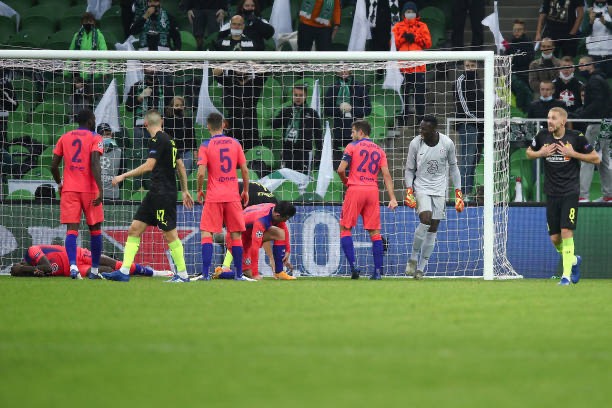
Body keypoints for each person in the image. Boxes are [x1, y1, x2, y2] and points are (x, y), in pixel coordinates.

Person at [103, 109, 194, 282]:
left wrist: (123, 175)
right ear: (162, 122)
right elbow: (181, 166)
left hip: (163, 194)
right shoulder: (170, 141)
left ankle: (182, 274)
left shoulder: (158, 139)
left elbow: (148, 166)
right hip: (155, 193)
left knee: (170, 234)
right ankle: (123, 271)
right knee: (135, 228)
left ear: (145, 124)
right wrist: (184, 190)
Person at [526, 107, 600, 285]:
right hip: (551, 193)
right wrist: (541, 153)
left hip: (570, 192)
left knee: (566, 231)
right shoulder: (542, 136)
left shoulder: (576, 137)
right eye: (548, 117)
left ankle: (565, 276)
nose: (549, 121)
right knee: (555, 238)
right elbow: (529, 153)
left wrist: (572, 154)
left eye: (553, 118)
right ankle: (574, 261)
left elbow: (596, 158)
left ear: (562, 122)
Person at [337, 120, 398, 280]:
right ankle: (377, 273)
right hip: (372, 191)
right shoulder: (380, 150)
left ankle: (354, 267)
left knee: (345, 228)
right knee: (375, 233)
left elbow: (341, 169)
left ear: (361, 132)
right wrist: (392, 198)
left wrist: (346, 181)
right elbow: (386, 175)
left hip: (355, 189)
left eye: (353, 132)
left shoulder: (352, 146)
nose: (352, 135)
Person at [404, 115, 463, 279]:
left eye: (424, 128)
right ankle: (413, 258)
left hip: (440, 190)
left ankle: (421, 269)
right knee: (425, 218)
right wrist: (409, 190)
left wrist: (458, 193)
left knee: (433, 228)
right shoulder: (416, 143)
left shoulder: (447, 143)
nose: (420, 131)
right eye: (420, 127)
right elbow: (409, 169)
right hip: (421, 186)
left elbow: (454, 168)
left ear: (434, 129)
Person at [196, 112, 251, 281]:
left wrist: (199, 190)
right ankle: (239, 274)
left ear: (207, 127)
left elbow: (200, 173)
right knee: (235, 235)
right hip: (233, 195)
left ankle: (205, 274)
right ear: (224, 125)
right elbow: (245, 169)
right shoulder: (235, 143)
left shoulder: (205, 145)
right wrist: (246, 190)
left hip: (213, 195)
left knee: (207, 232)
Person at [50, 109, 104, 280]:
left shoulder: (64, 137)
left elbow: (53, 166)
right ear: (90, 122)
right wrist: (101, 189)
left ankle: (73, 267)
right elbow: (95, 162)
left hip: (70, 189)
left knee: (71, 230)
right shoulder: (96, 137)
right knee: (95, 229)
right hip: (90, 190)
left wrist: (59, 184)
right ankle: (94, 270)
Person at [214, 181, 294, 279]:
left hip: (246, 233)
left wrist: (287, 249)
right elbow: (255, 247)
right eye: (286, 218)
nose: (286, 221)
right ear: (278, 215)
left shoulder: (273, 208)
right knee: (249, 274)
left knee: (280, 232)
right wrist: (256, 273)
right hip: (237, 239)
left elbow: (282, 226)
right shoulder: (261, 220)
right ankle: (221, 273)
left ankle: (279, 271)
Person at [10, 244, 171, 278]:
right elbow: (47, 270)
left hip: (77, 255)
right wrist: (24, 272)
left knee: (116, 264)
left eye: (18, 266)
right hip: (73, 270)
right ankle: (131, 274)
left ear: (22, 262)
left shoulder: (31, 251)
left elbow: (46, 266)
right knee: (106, 272)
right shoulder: (36, 272)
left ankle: (154, 272)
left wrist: (22, 270)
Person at [576, 56, 612, 202]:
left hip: (597, 124)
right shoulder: (600, 80)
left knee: (587, 158)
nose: (579, 68)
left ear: (590, 65)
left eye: (581, 65)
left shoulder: (594, 81)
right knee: (604, 160)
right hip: (606, 124)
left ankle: (583, 196)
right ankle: (609, 195)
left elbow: (598, 103)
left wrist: (581, 115)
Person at [392, 2, 432, 125]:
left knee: (419, 94)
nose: (410, 14)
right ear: (404, 13)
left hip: (418, 66)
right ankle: (403, 118)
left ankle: (421, 119)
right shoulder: (397, 26)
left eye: (412, 11)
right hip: (402, 67)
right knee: (403, 94)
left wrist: (414, 38)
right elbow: (393, 44)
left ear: (416, 13)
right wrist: (404, 38)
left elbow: (428, 43)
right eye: (407, 12)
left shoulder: (422, 26)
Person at [324, 68, 372, 169]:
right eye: (340, 68)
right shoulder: (333, 88)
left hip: (357, 133)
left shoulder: (359, 87)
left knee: (355, 165)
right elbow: (326, 110)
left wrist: (351, 109)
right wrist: (339, 109)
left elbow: (368, 109)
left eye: (346, 68)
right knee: (339, 165)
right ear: (336, 71)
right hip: (338, 132)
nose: (343, 71)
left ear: (351, 70)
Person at [213, 65, 265, 152]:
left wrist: (248, 61)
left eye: (243, 68)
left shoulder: (255, 83)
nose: (241, 70)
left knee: (249, 158)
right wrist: (232, 61)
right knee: (232, 157)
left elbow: (263, 71)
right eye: (238, 68)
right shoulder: (229, 83)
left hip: (251, 127)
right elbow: (216, 72)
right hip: (233, 126)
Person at [271, 85, 322, 173]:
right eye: (296, 95)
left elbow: (318, 135)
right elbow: (274, 125)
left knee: (302, 179)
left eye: (301, 95)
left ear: (305, 96)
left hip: (304, 152)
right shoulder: (286, 111)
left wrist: (319, 153)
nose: (298, 98)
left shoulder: (312, 113)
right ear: (292, 96)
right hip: (287, 151)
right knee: (287, 178)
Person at [454, 60, 483, 199]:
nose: (470, 68)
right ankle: (463, 193)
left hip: (481, 125)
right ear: (463, 67)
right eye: (467, 66)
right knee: (467, 159)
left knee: (474, 159)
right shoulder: (460, 81)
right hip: (467, 124)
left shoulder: (480, 79)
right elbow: (463, 105)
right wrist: (477, 118)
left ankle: (469, 192)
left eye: (472, 65)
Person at [505, 19, 535, 113]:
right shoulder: (509, 44)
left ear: (524, 31)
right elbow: (507, 61)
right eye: (515, 30)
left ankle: (524, 113)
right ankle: (520, 111)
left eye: (519, 29)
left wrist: (515, 58)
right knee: (524, 90)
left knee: (526, 91)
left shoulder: (529, 44)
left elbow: (527, 60)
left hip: (526, 75)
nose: (516, 32)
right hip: (513, 75)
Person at [68, 12, 109, 81]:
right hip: (78, 75)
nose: (88, 23)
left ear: (94, 23)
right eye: (85, 21)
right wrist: (66, 72)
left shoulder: (99, 36)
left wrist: (104, 72)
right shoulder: (77, 36)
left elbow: (104, 54)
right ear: (82, 23)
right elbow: (70, 54)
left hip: (95, 75)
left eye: (90, 21)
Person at [164, 96, 196, 175]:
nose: (179, 107)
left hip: (186, 153)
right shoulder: (166, 121)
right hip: (171, 153)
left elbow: (192, 138)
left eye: (181, 105)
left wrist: (195, 153)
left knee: (184, 177)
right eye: (177, 105)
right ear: (172, 106)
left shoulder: (188, 121)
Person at [585, 1, 612, 77]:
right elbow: (584, 33)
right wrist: (591, 22)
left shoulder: (611, 10)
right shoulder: (588, 11)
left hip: (609, 53)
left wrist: (606, 23)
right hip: (593, 53)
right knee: (594, 80)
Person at [97, 122, 122, 200]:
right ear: (97, 136)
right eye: (103, 134)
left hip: (113, 196)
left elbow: (122, 173)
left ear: (111, 135)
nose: (106, 137)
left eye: (108, 134)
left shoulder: (119, 152)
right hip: (96, 196)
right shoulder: (92, 152)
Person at [0, 68, 18, 152]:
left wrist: (7, 97)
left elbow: (15, 105)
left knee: (2, 144)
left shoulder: (6, 84)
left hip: (2, 118)